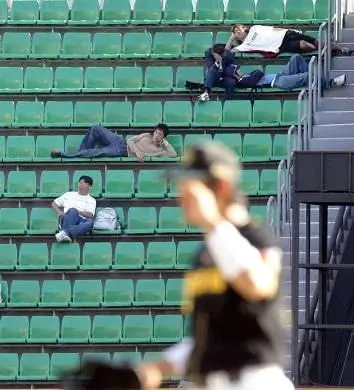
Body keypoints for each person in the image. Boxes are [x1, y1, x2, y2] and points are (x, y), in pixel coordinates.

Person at [135, 141, 294, 390]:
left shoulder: (256, 237)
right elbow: (211, 338)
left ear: (221, 186)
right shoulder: (206, 252)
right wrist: (157, 367)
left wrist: (214, 223)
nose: (181, 197)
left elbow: (258, 286)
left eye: (191, 188)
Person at [50, 124, 177, 161]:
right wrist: (138, 151)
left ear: (163, 137)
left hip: (121, 151)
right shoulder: (146, 135)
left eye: (160, 134)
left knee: (95, 152)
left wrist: (165, 143)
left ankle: (63, 154)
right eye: (156, 132)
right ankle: (81, 153)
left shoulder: (161, 151)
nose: (156, 135)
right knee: (96, 128)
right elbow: (130, 140)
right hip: (120, 141)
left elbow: (173, 154)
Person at [226, 24, 352, 57]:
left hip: (286, 34)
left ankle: (341, 49)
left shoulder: (255, 28)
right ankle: (325, 51)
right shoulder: (244, 46)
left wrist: (289, 29)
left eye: (240, 28)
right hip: (280, 46)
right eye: (236, 32)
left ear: (244, 28)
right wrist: (231, 38)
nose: (239, 31)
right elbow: (228, 52)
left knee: (316, 42)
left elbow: (273, 29)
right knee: (303, 45)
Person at [243, 53, 346, 91]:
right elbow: (259, 74)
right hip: (279, 82)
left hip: (280, 75)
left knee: (296, 58)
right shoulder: (243, 81)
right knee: (306, 75)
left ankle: (313, 81)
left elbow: (258, 73)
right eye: (236, 69)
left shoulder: (245, 76)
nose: (238, 69)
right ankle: (331, 82)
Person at [51, 175, 96, 243]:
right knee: (73, 210)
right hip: (67, 218)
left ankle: (65, 233)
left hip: (81, 221)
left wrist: (78, 212)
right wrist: (59, 212)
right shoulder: (69, 195)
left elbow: (90, 214)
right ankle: (66, 232)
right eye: (80, 183)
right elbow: (54, 203)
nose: (81, 185)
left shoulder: (92, 200)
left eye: (84, 183)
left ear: (89, 186)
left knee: (90, 223)